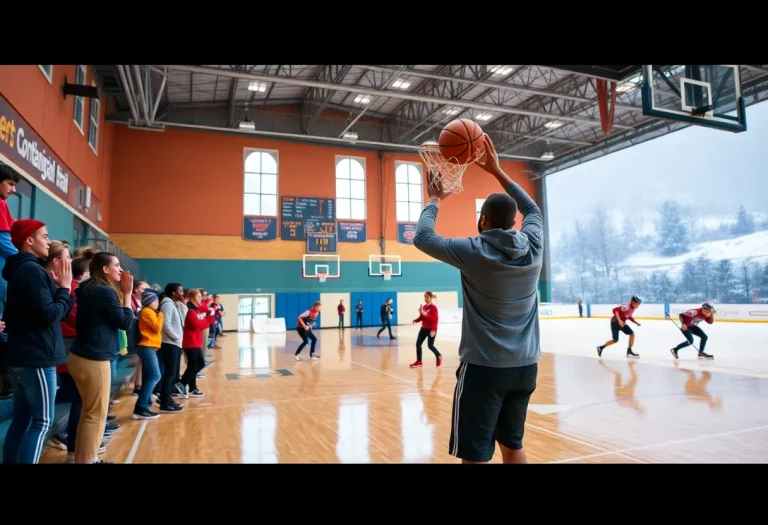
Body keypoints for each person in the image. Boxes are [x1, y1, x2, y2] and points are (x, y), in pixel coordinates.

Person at [412, 133, 543, 464]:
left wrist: (434, 198)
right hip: (526, 366)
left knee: (475, 452)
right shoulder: (534, 245)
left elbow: (422, 237)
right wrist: (497, 171)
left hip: (484, 369)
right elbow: (531, 207)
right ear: (515, 223)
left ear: (483, 220)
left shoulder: (472, 250)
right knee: (512, 444)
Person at [2, 219, 74, 464]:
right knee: (42, 422)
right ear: (29, 240)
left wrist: (56, 290)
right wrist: (64, 289)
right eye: (44, 236)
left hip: (22, 356)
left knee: (22, 421)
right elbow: (50, 315)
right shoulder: (31, 271)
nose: (48, 240)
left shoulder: (22, 271)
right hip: (37, 358)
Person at [68, 252, 134, 464]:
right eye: (117, 265)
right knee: (96, 415)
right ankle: (88, 460)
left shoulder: (88, 289)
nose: (121, 269)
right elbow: (125, 322)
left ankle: (82, 458)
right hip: (94, 359)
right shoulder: (104, 292)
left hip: (80, 356)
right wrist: (127, 294)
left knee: (88, 413)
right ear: (105, 269)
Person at [133, 289, 164, 419]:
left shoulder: (150, 312)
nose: (158, 303)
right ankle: (141, 407)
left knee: (149, 376)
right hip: (147, 347)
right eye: (155, 300)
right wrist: (161, 315)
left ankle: (145, 403)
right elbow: (157, 327)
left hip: (150, 347)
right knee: (155, 375)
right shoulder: (147, 312)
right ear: (149, 301)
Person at [180, 288, 208, 397]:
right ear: (191, 298)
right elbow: (197, 325)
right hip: (190, 342)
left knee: (193, 365)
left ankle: (192, 388)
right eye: (198, 296)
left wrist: (204, 322)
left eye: (201, 296)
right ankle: (181, 383)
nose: (200, 298)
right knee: (199, 364)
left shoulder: (195, 310)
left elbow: (202, 324)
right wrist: (205, 321)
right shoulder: (190, 310)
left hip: (195, 341)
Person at [410, 291, 442, 369]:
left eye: (427, 297)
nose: (425, 298)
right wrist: (416, 320)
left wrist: (434, 329)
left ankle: (438, 355)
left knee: (430, 346)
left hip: (431, 329)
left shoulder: (433, 308)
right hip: (423, 329)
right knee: (418, 344)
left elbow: (435, 319)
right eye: (424, 297)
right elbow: (422, 317)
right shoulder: (424, 307)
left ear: (431, 298)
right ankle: (419, 361)